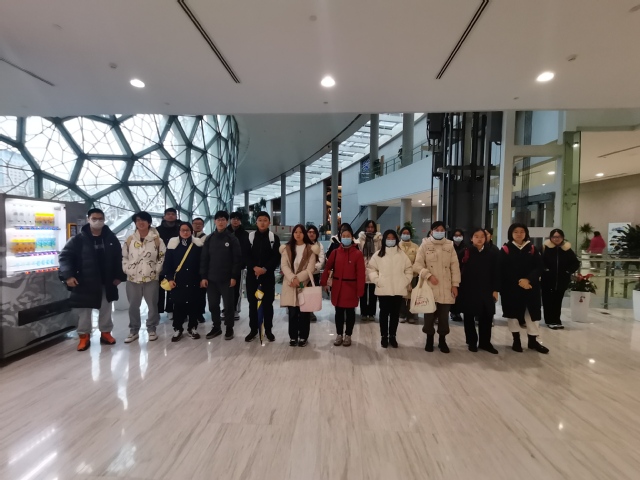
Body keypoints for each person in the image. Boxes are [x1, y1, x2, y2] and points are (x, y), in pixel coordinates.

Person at [59, 208, 126, 351]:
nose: (97, 221)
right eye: (94, 219)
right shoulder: (78, 239)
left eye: (100, 219)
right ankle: (84, 336)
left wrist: (119, 276)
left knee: (106, 308)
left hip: (106, 280)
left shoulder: (111, 238)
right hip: (85, 281)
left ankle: (106, 333)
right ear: (88, 219)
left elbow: (118, 258)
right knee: (84, 311)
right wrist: (69, 276)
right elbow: (65, 257)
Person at [499, 223, 549, 354]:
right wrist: (519, 281)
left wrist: (528, 280)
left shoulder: (532, 248)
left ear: (526, 233)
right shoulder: (505, 249)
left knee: (532, 315)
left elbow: (539, 267)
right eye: (516, 232)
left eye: (522, 231)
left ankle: (533, 341)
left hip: (530, 287)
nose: (519, 234)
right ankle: (516, 340)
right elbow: (502, 269)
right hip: (511, 288)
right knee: (513, 315)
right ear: (511, 234)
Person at [413, 221, 461, 353]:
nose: (439, 232)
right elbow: (417, 265)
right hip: (430, 287)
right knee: (429, 315)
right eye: (436, 229)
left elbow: (455, 267)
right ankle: (429, 339)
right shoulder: (425, 245)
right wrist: (428, 275)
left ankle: (442, 340)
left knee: (444, 316)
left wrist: (455, 285)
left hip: (446, 287)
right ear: (431, 231)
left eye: (442, 230)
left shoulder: (450, 245)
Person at [122, 211, 166, 343]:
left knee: (152, 305)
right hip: (133, 278)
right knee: (133, 306)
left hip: (151, 278)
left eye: (143, 220)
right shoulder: (130, 239)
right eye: (137, 220)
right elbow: (124, 256)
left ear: (149, 222)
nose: (140, 223)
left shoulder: (157, 240)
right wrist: (127, 269)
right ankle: (133, 330)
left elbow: (162, 256)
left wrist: (156, 270)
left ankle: (151, 329)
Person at [200, 211, 242, 341]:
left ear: (227, 221)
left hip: (227, 279)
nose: (220, 222)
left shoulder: (232, 239)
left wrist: (234, 276)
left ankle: (229, 328)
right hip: (211, 279)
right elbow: (204, 259)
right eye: (218, 219)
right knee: (213, 305)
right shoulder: (209, 239)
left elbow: (237, 259)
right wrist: (203, 276)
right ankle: (216, 327)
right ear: (214, 221)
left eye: (223, 219)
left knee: (228, 306)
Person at [321, 225, 365, 347]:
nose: (345, 238)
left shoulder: (357, 254)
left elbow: (361, 274)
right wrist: (324, 282)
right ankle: (339, 334)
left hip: (351, 288)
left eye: (348, 236)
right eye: (343, 236)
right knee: (339, 313)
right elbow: (327, 268)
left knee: (350, 313)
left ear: (352, 238)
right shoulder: (335, 252)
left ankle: (348, 335)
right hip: (338, 287)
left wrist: (360, 290)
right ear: (340, 237)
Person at [367, 230, 413, 348]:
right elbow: (371, 269)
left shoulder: (402, 254)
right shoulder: (378, 254)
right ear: (384, 240)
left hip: (398, 289)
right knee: (383, 314)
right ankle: (384, 336)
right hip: (383, 290)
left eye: (393, 238)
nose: (391, 240)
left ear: (396, 240)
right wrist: (377, 280)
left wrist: (405, 281)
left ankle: (393, 336)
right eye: (388, 238)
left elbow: (409, 269)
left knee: (395, 315)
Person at [458, 228, 500, 354]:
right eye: (476, 236)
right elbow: (457, 270)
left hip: (487, 290)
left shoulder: (492, 253)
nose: (480, 239)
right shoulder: (465, 252)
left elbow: (497, 272)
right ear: (471, 238)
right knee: (469, 316)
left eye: (482, 236)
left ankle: (485, 342)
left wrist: (496, 289)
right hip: (468, 290)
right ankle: (472, 342)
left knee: (487, 316)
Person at [162, 222, 205, 341]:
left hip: (194, 280)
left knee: (193, 304)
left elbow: (202, 263)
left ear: (191, 231)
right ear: (179, 232)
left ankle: (192, 327)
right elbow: (167, 264)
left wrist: (202, 278)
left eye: (187, 230)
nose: (185, 232)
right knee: (178, 305)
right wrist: (170, 279)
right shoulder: (173, 245)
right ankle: (178, 328)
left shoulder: (197, 245)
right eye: (182, 230)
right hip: (178, 281)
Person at [280, 224, 319, 347]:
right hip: (290, 284)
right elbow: (284, 266)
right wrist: (292, 278)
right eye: (295, 232)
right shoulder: (286, 248)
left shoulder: (310, 249)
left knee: (304, 313)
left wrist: (297, 279)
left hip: (303, 284)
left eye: (300, 232)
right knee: (292, 313)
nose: (298, 234)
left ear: (304, 234)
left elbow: (310, 269)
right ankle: (293, 337)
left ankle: (303, 336)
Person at [244, 212, 281, 343]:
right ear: (256, 222)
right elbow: (246, 255)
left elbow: (276, 257)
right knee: (252, 303)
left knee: (268, 304)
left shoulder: (273, 238)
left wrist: (264, 269)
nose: (262, 222)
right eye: (260, 220)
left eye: (265, 220)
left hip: (268, 276)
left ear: (269, 222)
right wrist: (254, 267)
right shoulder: (250, 237)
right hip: (252, 275)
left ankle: (268, 330)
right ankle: (253, 330)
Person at [541, 228, 581, 329]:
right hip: (547, 280)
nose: (556, 239)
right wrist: (545, 270)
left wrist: (568, 271)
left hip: (562, 280)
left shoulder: (566, 249)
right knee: (548, 301)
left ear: (562, 238)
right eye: (554, 237)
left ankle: (557, 320)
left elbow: (576, 263)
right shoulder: (545, 248)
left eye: (559, 237)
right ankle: (549, 321)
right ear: (550, 237)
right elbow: (538, 261)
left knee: (558, 301)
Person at [156, 208, 181, 317]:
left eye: (173, 214)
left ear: (176, 216)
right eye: (168, 214)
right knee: (159, 287)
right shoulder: (157, 230)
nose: (171, 216)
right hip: (160, 261)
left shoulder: (180, 229)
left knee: (172, 285)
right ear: (164, 216)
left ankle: (170, 309)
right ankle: (158, 310)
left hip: (175, 261)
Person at [226, 211, 251, 322]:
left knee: (237, 288)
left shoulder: (245, 234)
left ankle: (235, 309)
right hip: (225, 266)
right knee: (225, 289)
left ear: (240, 221)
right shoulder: (225, 232)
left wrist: (243, 263)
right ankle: (226, 308)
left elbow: (246, 251)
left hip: (239, 266)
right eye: (233, 219)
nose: (235, 221)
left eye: (237, 219)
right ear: (230, 220)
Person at [357, 220, 382, 321]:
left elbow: (380, 252)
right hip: (363, 267)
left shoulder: (378, 239)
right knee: (362, 293)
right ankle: (363, 312)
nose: (370, 229)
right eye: (368, 227)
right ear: (365, 228)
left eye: (372, 227)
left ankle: (371, 313)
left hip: (374, 268)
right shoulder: (361, 238)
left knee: (373, 293)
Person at [398, 226, 420, 324]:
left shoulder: (415, 247)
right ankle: (401, 314)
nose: (406, 235)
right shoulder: (397, 246)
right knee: (401, 295)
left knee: (412, 295)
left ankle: (411, 315)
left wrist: (413, 271)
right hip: (400, 275)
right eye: (404, 233)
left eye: (407, 233)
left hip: (412, 275)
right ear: (400, 234)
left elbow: (418, 260)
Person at [307, 225, 326, 322]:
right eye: (309, 232)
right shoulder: (303, 244)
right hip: (304, 274)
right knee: (303, 292)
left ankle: (311, 312)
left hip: (314, 274)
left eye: (313, 232)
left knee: (312, 294)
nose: (311, 234)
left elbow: (321, 259)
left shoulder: (319, 245)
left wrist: (314, 268)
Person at [192, 217, 207, 322]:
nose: (197, 225)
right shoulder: (187, 236)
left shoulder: (206, 238)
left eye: (200, 224)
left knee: (201, 293)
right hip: (189, 269)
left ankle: (200, 313)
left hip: (201, 268)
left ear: (203, 226)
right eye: (195, 223)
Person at [449, 228, 466, 323]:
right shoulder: (449, 246)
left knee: (460, 295)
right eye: (456, 235)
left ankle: (458, 312)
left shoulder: (466, 247)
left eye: (460, 235)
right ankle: (453, 312)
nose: (458, 237)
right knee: (452, 294)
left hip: (463, 274)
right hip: (451, 273)